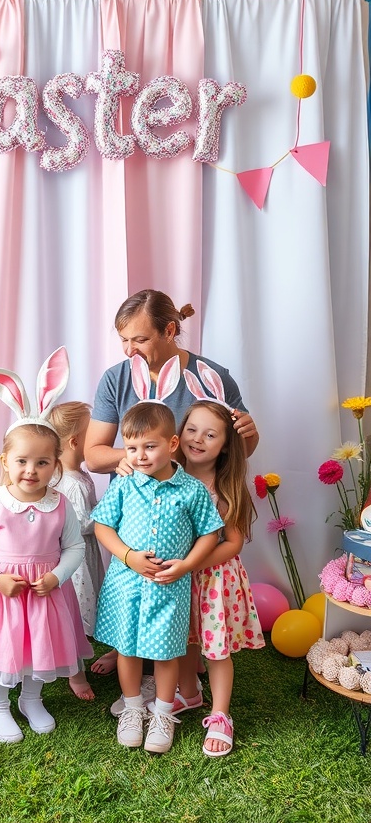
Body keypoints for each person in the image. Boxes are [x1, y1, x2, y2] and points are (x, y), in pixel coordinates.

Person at [85, 288, 259, 675]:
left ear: (169, 330)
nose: (130, 350)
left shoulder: (210, 377)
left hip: (188, 504)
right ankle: (121, 646)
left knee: (179, 581)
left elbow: (241, 447)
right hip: (135, 507)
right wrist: (134, 457)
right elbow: (93, 454)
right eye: (124, 340)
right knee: (131, 585)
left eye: (140, 340)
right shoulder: (116, 379)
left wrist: (249, 430)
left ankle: (185, 648)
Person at [0, 348, 93, 744]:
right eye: (22, 462)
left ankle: (32, 699)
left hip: (44, 591)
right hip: (4, 592)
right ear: (5, 461)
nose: (31, 471)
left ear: (56, 464)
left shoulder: (60, 504)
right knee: (3, 647)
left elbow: (74, 549)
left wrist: (56, 576)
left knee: (40, 647)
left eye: (42, 463)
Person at [91, 400, 223, 754]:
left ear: (172, 444)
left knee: (166, 654)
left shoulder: (191, 490)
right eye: (132, 448)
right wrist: (129, 556)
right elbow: (103, 526)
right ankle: (133, 708)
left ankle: (163, 713)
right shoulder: (123, 484)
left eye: (150, 446)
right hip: (126, 584)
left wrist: (186, 565)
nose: (140, 456)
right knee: (127, 649)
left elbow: (210, 533)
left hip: (170, 586)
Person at [176, 399, 265, 758]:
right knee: (181, 641)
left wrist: (193, 564)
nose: (197, 439)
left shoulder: (223, 486)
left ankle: (220, 715)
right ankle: (189, 693)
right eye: (191, 430)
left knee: (215, 650)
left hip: (212, 580)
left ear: (226, 445)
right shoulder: (167, 476)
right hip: (179, 579)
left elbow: (234, 542)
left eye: (210, 435)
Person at [48, 400, 105, 701]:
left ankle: (83, 662)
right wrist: (110, 519)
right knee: (75, 618)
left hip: (88, 552)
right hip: (77, 559)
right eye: (91, 433)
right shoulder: (69, 483)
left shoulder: (79, 475)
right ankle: (76, 674)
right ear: (74, 442)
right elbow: (81, 523)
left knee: (88, 607)